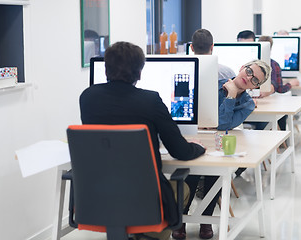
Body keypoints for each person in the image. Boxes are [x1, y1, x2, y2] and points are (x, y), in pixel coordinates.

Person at [80, 41, 206, 240]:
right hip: (144, 199)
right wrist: (198, 148)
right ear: (139, 73)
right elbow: (180, 151)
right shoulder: (150, 100)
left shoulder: (87, 97)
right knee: (183, 190)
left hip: (99, 197)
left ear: (106, 69)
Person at [172, 29, 235, 240]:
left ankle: (180, 224)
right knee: (213, 171)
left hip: (186, 130)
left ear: (191, 47)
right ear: (212, 47)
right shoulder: (227, 72)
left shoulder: (180, 69)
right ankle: (206, 223)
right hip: (215, 131)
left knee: (188, 170)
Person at [256, 35, 300, 130]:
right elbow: (280, 89)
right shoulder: (274, 64)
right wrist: (290, 84)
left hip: (258, 107)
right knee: (282, 114)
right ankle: (284, 140)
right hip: (265, 109)